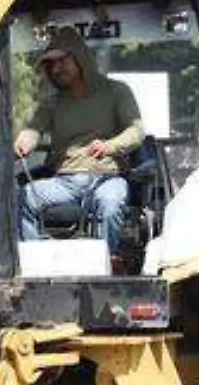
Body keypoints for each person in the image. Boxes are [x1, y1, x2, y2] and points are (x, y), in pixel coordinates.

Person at [14, 27, 144, 259]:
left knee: (111, 202)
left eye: (62, 61)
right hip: (65, 182)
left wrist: (110, 146)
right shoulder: (52, 103)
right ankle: (34, 267)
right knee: (23, 198)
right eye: (51, 65)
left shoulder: (116, 91)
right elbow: (33, 131)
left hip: (108, 177)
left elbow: (136, 131)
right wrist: (24, 141)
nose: (56, 69)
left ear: (80, 58)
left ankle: (106, 269)